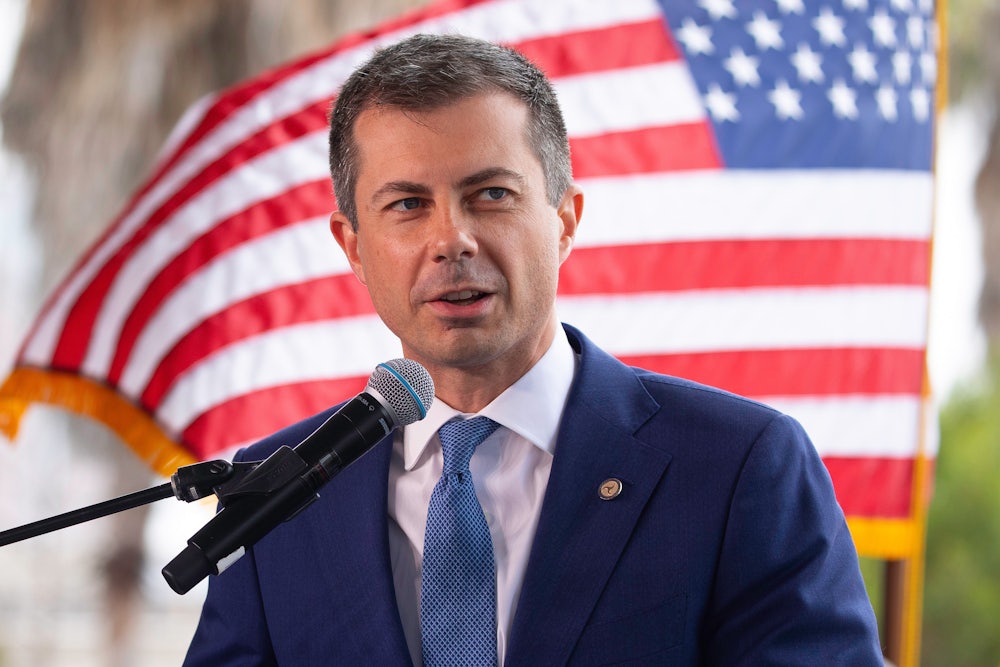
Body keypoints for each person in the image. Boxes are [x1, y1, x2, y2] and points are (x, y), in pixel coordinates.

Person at [182, 33, 883, 665]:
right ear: (354, 246)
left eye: (490, 194)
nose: (451, 238)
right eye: (407, 204)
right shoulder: (275, 491)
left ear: (565, 221)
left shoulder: (739, 466)